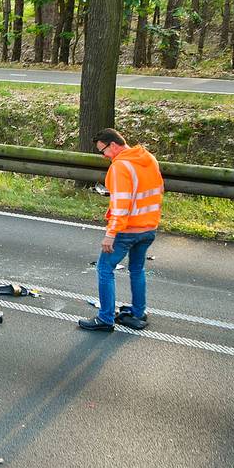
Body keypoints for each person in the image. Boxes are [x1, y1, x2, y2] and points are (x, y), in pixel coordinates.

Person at [79, 128, 163, 333]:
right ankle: (137, 312)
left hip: (127, 230)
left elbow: (121, 205)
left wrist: (110, 234)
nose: (104, 156)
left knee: (104, 269)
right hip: (149, 227)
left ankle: (105, 319)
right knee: (137, 269)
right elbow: (158, 189)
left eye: (103, 151)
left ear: (113, 145)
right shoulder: (148, 158)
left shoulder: (120, 167)